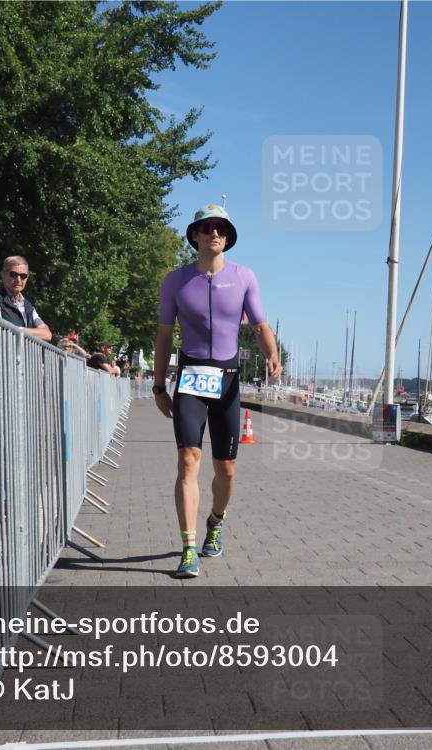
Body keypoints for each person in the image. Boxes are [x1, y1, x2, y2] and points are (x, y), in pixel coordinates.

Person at [153, 204, 282, 578]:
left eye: (222, 228)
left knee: (226, 470)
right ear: (195, 234)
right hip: (191, 377)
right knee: (188, 460)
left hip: (226, 378)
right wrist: (160, 385)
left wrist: (272, 355)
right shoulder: (175, 280)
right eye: (207, 227)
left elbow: (259, 324)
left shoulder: (244, 277)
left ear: (228, 238)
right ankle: (189, 547)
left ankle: (216, 520)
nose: (215, 233)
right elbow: (163, 336)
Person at [0, 256, 52, 342]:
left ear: (27, 277)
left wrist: (19, 330)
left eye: (23, 276)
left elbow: (47, 334)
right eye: (13, 274)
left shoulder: (28, 306)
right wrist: (32, 332)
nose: (18, 280)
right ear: (3, 275)